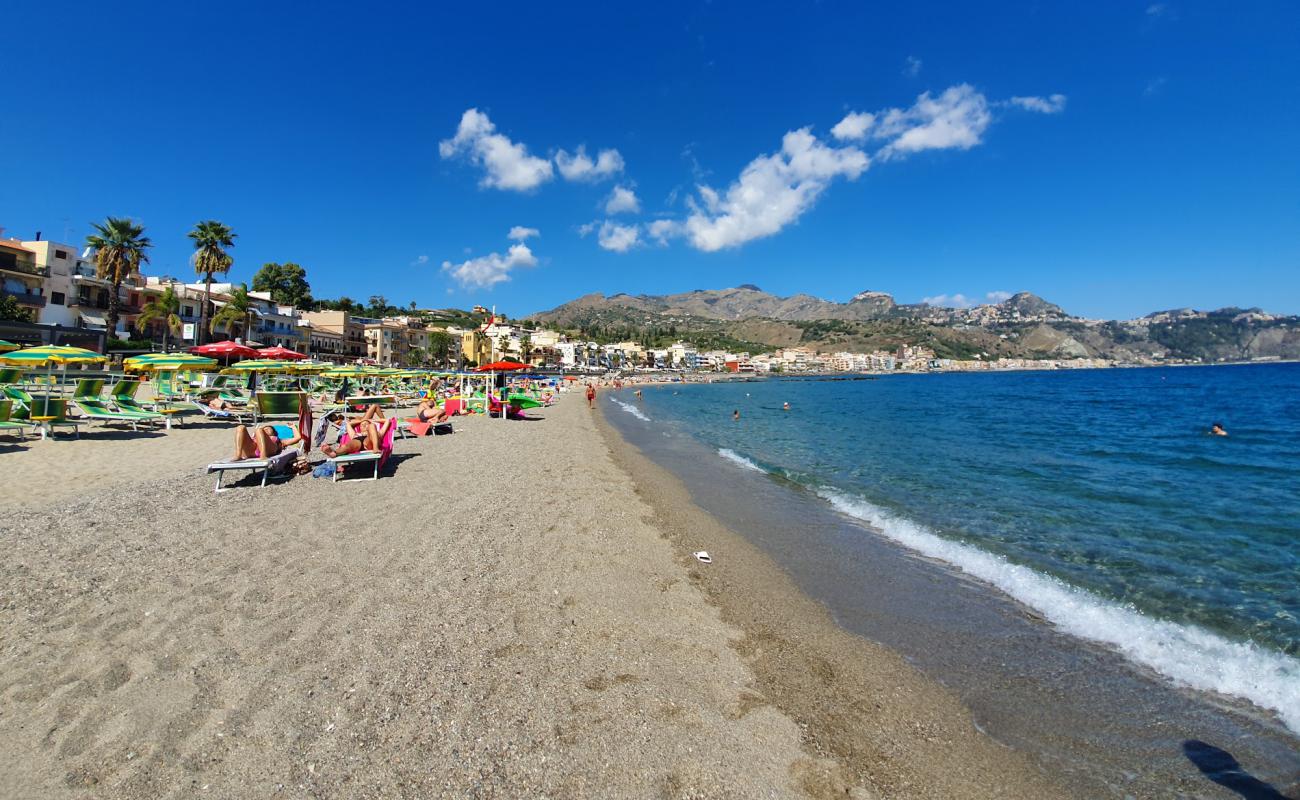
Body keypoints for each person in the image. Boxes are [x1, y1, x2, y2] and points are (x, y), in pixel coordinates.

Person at [321, 404, 395, 458]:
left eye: (366, 424)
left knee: (372, 426)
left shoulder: (377, 432)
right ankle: (334, 452)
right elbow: (348, 424)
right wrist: (362, 421)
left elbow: (387, 420)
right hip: (358, 441)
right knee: (347, 446)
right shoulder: (355, 434)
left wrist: (371, 421)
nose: (363, 425)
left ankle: (375, 448)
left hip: (369, 442)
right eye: (362, 425)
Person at [232, 422, 303, 460]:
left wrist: (293, 427)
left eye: (268, 428)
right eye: (264, 428)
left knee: (259, 430)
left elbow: (298, 437)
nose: (265, 429)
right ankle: (238, 455)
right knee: (240, 427)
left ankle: (263, 455)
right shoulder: (255, 437)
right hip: (251, 451)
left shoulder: (280, 441)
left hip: (268, 451)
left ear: (274, 433)